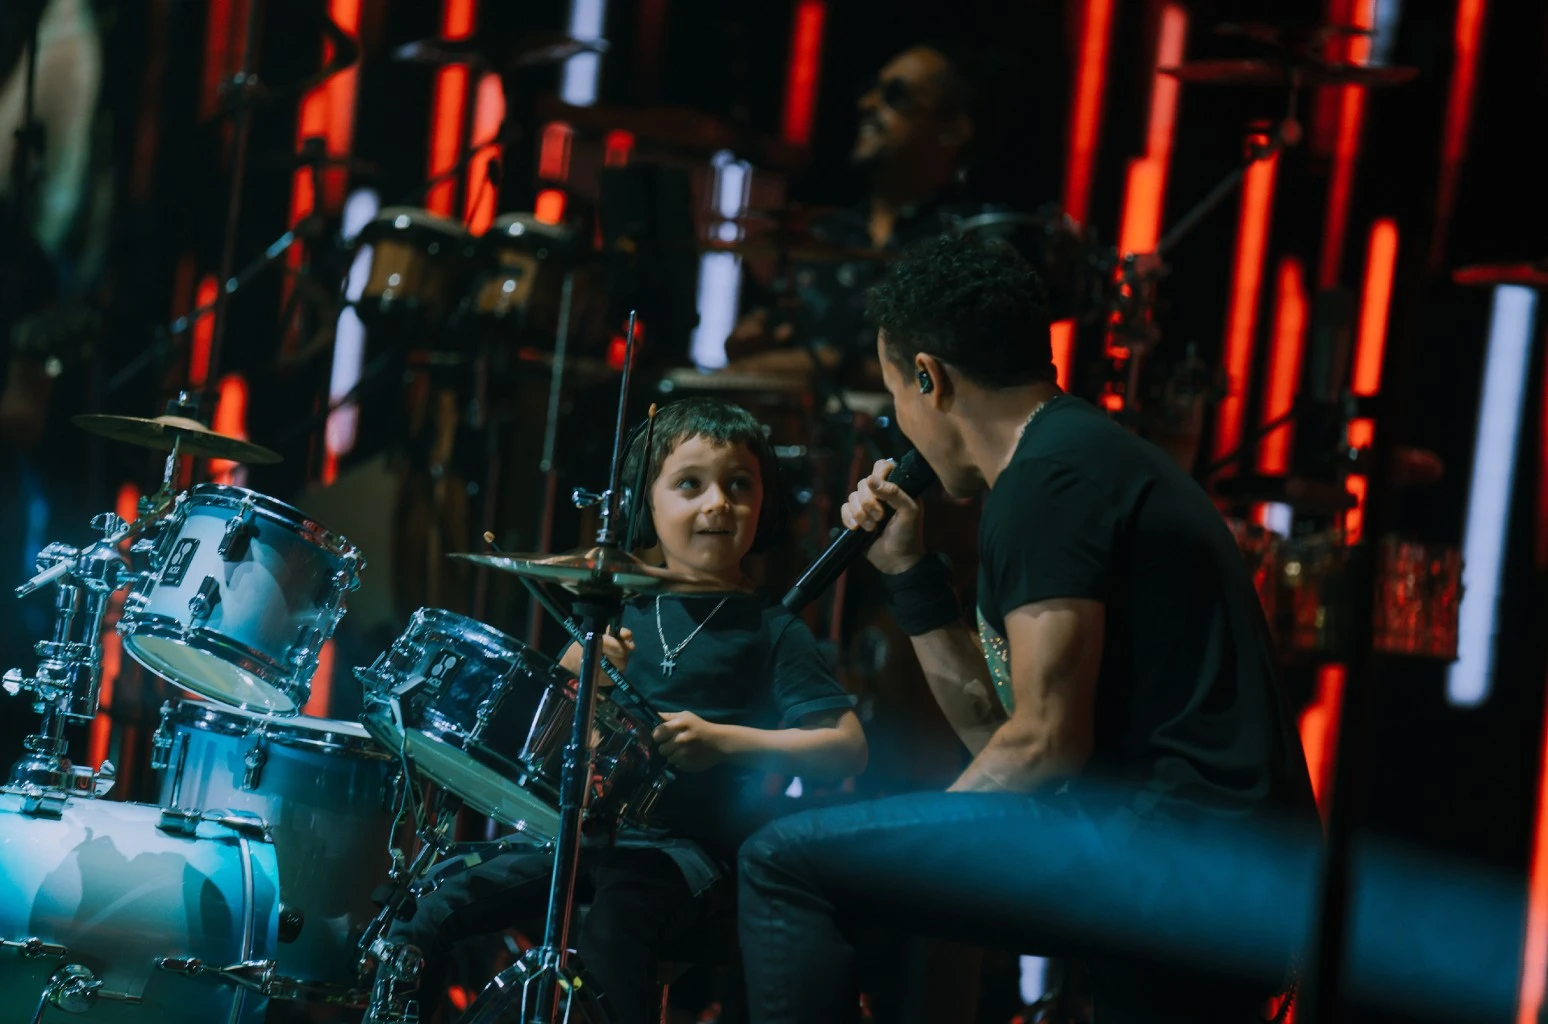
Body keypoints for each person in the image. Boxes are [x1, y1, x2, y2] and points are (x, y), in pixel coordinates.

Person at [735, 235, 1319, 1024]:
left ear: (927, 378)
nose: (901, 427)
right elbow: (1006, 741)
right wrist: (910, 579)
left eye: (894, 397)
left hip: (1181, 860)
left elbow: (1045, 747)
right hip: (1190, 862)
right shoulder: (1066, 460)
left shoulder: (1049, 482)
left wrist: (917, 846)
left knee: (783, 861)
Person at [380, 398, 867, 1024]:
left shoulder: (771, 630)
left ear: (764, 503)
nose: (718, 502)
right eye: (690, 484)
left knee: (620, 916)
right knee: (438, 901)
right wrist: (580, 675)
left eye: (739, 485)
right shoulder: (620, 610)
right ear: (647, 504)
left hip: (698, 853)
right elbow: (546, 733)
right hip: (593, 840)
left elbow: (845, 745)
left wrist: (726, 741)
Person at [724, 40, 1002, 388]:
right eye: (871, 90)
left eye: (896, 96)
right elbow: (776, 337)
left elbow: (973, 381)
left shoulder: (971, 247)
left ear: (953, 130)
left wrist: (834, 368)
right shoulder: (823, 234)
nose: (867, 103)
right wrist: (751, 343)